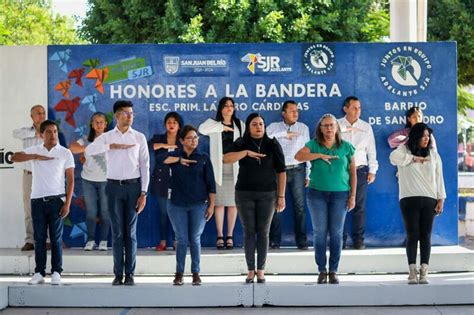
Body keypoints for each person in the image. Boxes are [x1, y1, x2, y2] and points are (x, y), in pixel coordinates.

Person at [86, 100, 150, 286]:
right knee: (117, 233)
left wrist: (144, 193)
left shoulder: (139, 137)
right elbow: (89, 150)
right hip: (113, 187)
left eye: (131, 113)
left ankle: (129, 274)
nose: (129, 116)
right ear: (116, 116)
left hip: (133, 187)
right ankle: (117, 274)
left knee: (130, 233)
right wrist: (110, 146)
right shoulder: (107, 137)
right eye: (125, 113)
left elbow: (145, 166)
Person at [224, 113, 286, 284]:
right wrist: (245, 153)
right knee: (249, 232)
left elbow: (281, 171)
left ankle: (261, 270)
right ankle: (250, 270)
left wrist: (281, 196)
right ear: (248, 127)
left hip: (268, 194)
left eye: (261, 124)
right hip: (244, 193)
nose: (258, 127)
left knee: (263, 232)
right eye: (254, 124)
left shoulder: (272, 144)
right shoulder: (241, 143)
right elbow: (226, 158)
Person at [295, 113, 356, 284]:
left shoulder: (346, 146)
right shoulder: (313, 145)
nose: (329, 128)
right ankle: (322, 270)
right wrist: (319, 156)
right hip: (317, 194)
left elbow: (352, 172)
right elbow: (298, 156)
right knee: (320, 233)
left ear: (337, 127)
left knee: (336, 233)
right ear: (320, 129)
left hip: (341, 194)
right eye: (325, 126)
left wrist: (352, 196)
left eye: (331, 125)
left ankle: (334, 270)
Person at [11, 120, 74, 285]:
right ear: (42, 134)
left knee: (55, 238)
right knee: (39, 238)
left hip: (56, 200)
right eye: (48, 132)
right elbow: (13, 157)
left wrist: (67, 203)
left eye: (55, 131)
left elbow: (71, 180)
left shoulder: (65, 152)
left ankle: (56, 272)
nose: (52, 134)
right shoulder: (35, 150)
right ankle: (39, 272)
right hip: (37, 200)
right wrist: (34, 156)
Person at [389, 123, 445, 284]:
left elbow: (439, 177)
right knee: (412, 235)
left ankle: (424, 271)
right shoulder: (404, 150)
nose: (426, 139)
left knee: (425, 235)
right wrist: (413, 158)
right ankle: (412, 270)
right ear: (416, 136)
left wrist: (441, 198)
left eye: (428, 136)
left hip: (429, 198)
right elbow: (392, 158)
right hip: (408, 198)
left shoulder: (434, 155)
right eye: (423, 135)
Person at [164, 125, 215, 286]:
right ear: (181, 140)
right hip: (177, 204)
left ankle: (195, 272)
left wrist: (212, 205)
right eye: (190, 138)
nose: (194, 140)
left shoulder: (203, 157)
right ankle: (179, 273)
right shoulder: (175, 156)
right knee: (181, 239)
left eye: (196, 137)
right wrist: (179, 160)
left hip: (199, 204)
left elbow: (211, 184)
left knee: (194, 238)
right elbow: (160, 160)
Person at [198, 96, 244, 250]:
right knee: (218, 203)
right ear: (221, 108)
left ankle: (229, 235)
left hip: (235, 166)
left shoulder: (240, 125)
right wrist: (221, 128)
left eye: (231, 105)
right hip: (218, 166)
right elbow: (201, 129)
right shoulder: (213, 123)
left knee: (233, 203)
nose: (229, 108)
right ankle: (219, 235)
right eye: (226, 105)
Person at [267, 100, 310, 250]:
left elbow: (308, 151)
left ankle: (301, 241)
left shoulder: (303, 128)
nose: (295, 114)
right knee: (277, 206)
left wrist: (308, 173)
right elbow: (267, 137)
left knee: (299, 206)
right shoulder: (274, 127)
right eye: (292, 111)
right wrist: (284, 134)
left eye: (297, 111)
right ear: (283, 113)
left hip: (298, 170)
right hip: (279, 171)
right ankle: (274, 241)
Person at [338, 96, 378, 249]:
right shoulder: (337, 124)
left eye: (359, 108)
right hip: (340, 171)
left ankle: (358, 240)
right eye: (354, 107)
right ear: (345, 109)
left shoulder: (366, 127)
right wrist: (346, 129)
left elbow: (371, 151)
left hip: (360, 170)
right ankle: (340, 240)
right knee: (340, 205)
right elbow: (327, 134)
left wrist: (373, 170)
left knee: (359, 207)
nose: (357, 111)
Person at [70, 112, 110, 251]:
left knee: (105, 212)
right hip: (88, 181)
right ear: (92, 125)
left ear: (105, 124)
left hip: (106, 181)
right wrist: (89, 148)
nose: (99, 124)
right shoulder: (86, 139)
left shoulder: (110, 139)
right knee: (91, 212)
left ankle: (104, 240)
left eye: (101, 122)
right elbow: (72, 148)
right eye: (96, 122)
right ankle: (91, 240)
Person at [12, 104, 46, 251]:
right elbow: (15, 133)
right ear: (31, 116)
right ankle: (30, 240)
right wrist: (35, 134)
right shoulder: (26, 132)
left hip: (46, 176)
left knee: (47, 208)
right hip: (29, 175)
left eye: (43, 113)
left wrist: (43, 133)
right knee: (29, 208)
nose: (41, 115)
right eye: (38, 113)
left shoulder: (50, 131)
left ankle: (48, 239)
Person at [149, 112, 183, 251]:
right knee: (163, 212)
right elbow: (149, 147)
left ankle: (176, 240)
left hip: (179, 181)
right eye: (169, 122)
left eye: (174, 122)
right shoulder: (158, 138)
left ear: (179, 125)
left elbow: (187, 153)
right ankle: (163, 241)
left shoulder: (182, 139)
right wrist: (163, 145)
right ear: (165, 124)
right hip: (161, 181)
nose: (171, 124)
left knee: (176, 213)